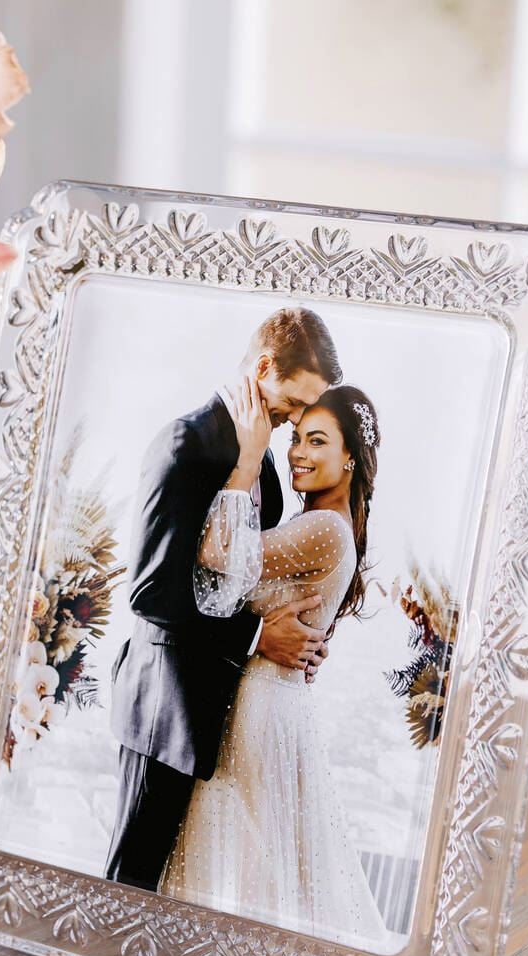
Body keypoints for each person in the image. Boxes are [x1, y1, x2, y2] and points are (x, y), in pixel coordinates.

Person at [105, 308, 342, 892]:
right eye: (292, 402)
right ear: (263, 368)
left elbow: (245, 575)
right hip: (166, 708)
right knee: (133, 882)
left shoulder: (263, 458)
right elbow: (151, 592)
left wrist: (298, 632)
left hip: (223, 711)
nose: (294, 420)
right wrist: (260, 637)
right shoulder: (186, 442)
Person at [160, 380, 390, 947]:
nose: (297, 453)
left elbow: (218, 554)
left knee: (246, 851)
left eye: (317, 441)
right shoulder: (325, 526)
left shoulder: (324, 528)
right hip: (272, 702)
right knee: (258, 850)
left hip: (261, 710)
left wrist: (245, 462)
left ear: (351, 458)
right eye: (296, 438)